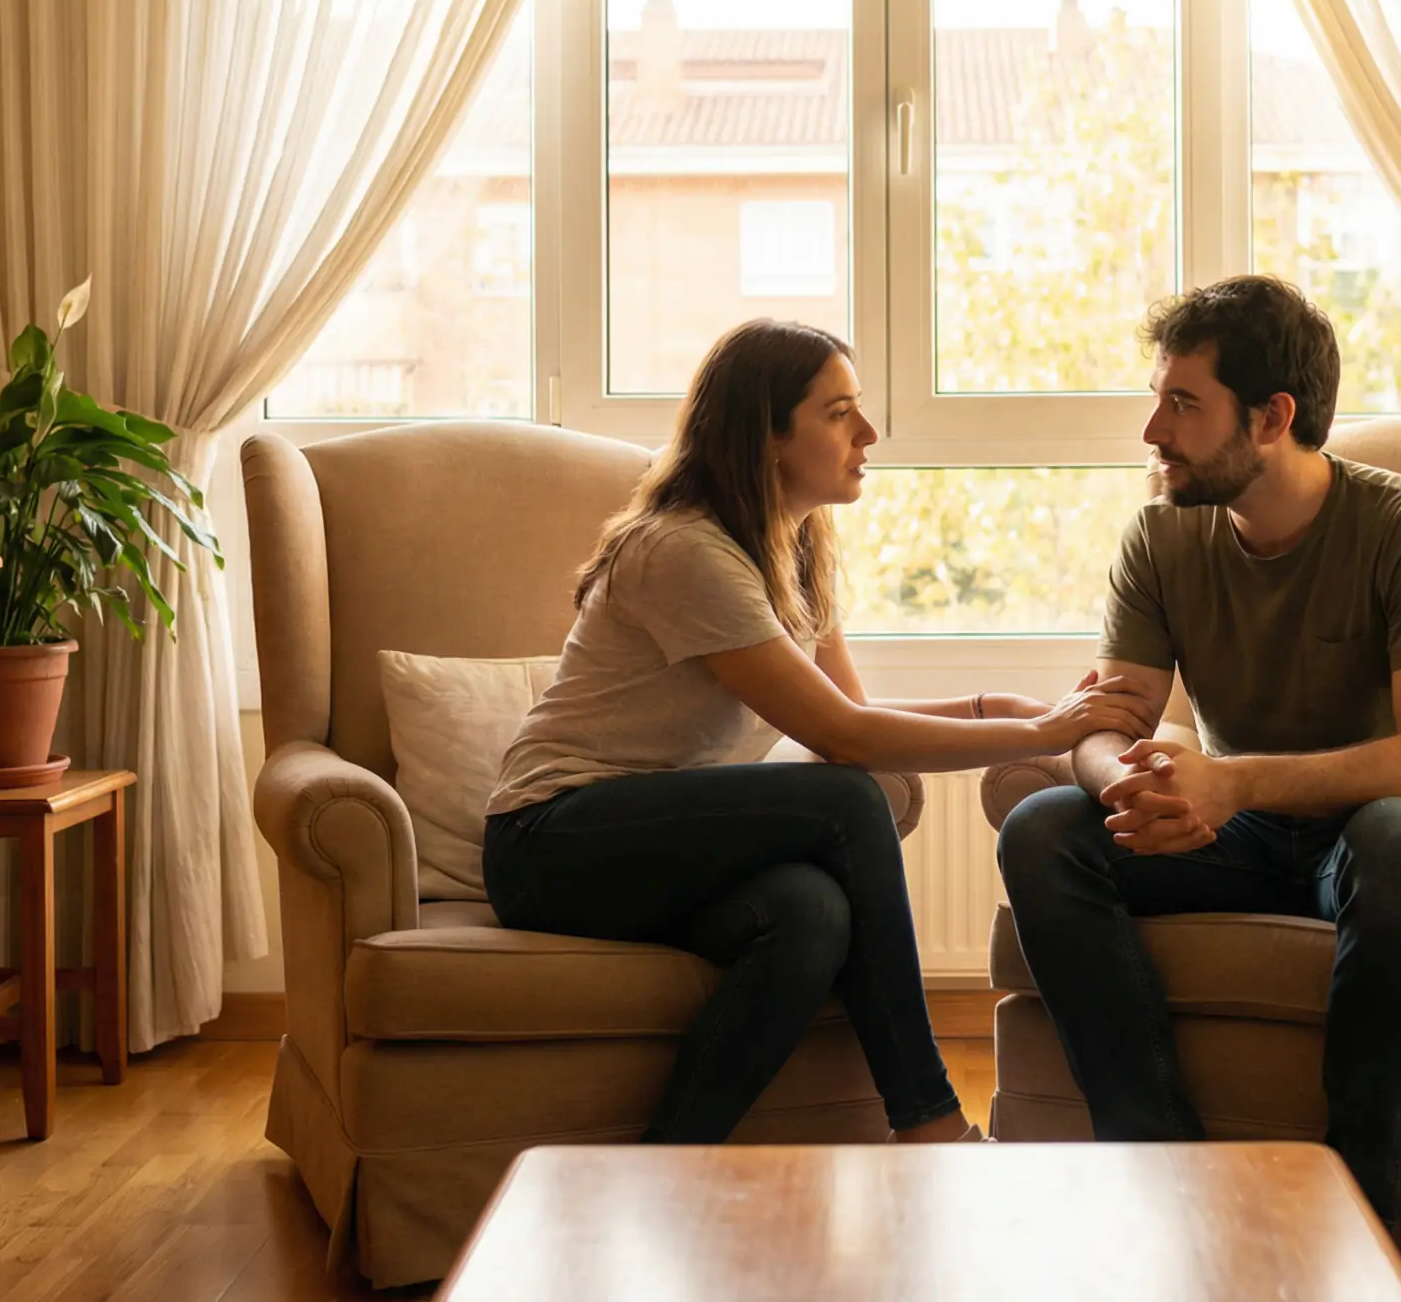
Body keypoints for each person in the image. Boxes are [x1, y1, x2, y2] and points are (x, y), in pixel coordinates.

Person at [484, 318, 1149, 1147]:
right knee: (845, 801)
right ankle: (931, 1121)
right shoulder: (685, 551)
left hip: (658, 849)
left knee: (811, 914)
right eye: (839, 413)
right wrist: (1045, 730)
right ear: (765, 434)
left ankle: (669, 1162)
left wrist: (1004, 709)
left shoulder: (791, 548)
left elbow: (855, 714)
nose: (868, 433)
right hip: (552, 844)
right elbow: (848, 741)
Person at [995, 275, 1401, 1221]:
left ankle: (1357, 1210)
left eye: (1183, 404)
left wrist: (1229, 783)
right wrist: (1134, 785)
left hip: (1388, 841)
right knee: (1043, 829)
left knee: (1400, 838)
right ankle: (1161, 1172)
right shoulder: (1160, 535)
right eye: (1158, 398)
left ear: (1272, 418)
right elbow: (1110, 718)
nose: (1153, 431)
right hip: (1241, 838)